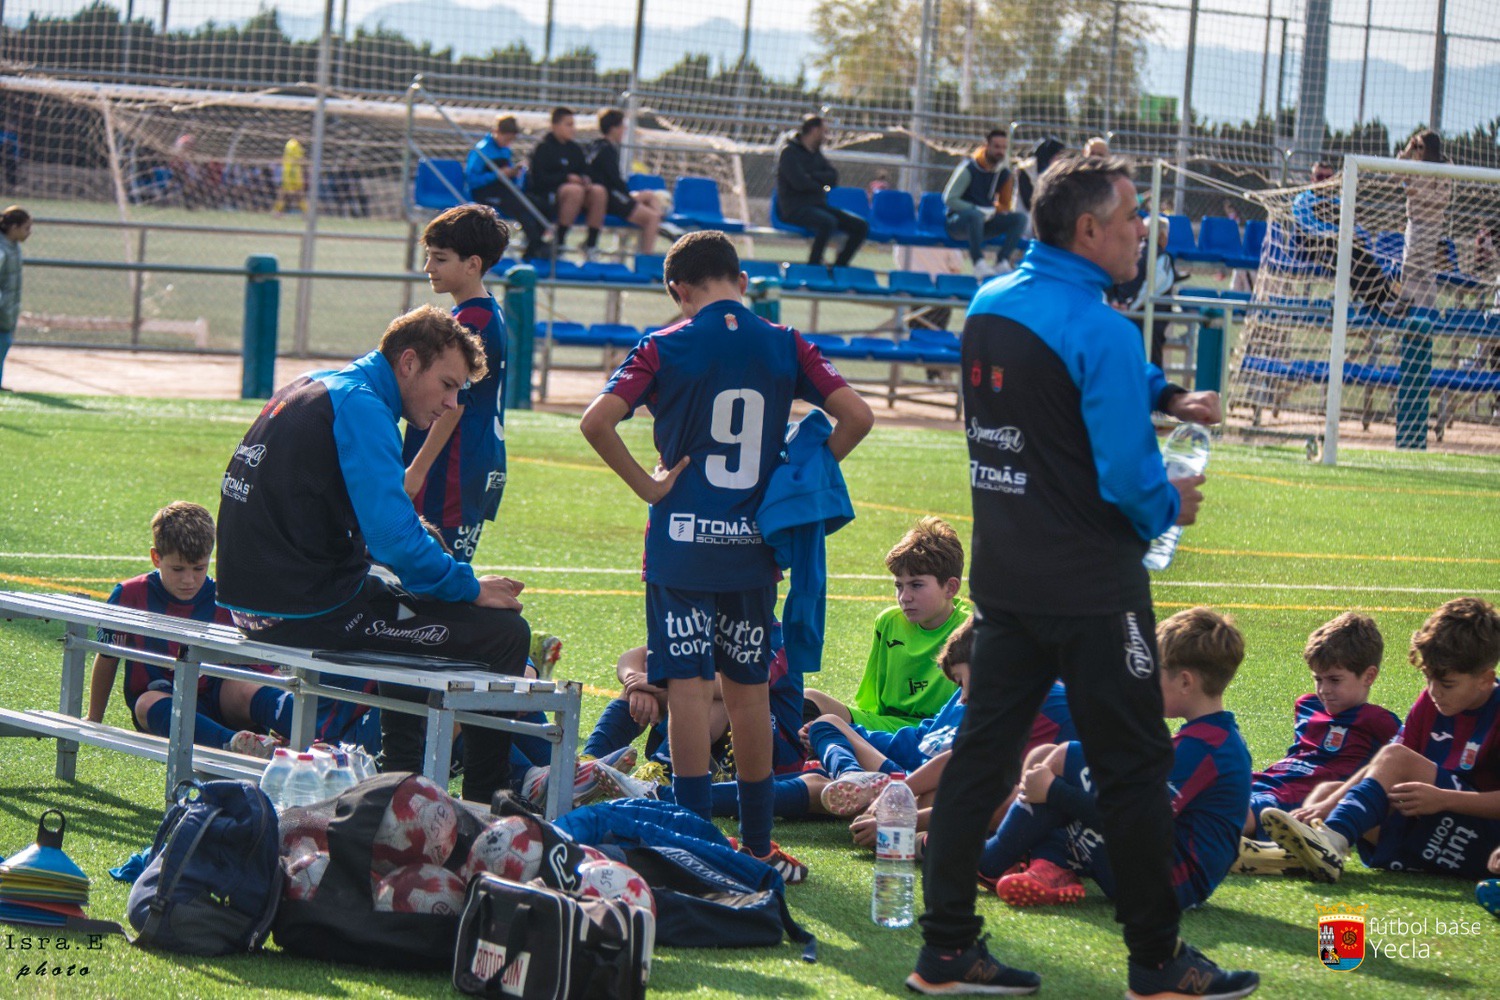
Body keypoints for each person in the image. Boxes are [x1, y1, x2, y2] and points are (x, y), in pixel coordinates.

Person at [908, 154, 1257, 998]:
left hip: (1006, 582)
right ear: (1089, 229)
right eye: (1134, 214)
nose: (1146, 229)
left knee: (981, 761)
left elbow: (1069, 381)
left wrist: (1166, 393)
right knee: (1136, 772)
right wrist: (1171, 504)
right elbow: (1129, 480)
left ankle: (946, 952)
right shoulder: (1099, 325)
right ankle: (1156, 963)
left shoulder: (991, 304)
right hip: (1094, 590)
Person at [580, 230, 872, 882]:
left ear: (678, 290)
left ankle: (693, 845)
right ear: (741, 280)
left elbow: (596, 421)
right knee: (748, 695)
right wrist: (799, 489)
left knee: (686, 689)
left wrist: (649, 485)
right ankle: (760, 844)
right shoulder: (786, 341)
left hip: (681, 543)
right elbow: (856, 416)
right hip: (752, 546)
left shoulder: (665, 344)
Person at [215, 305, 531, 804]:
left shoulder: (319, 383)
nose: (452, 403)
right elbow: (393, 541)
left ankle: (399, 781)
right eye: (447, 385)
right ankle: (486, 805)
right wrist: (469, 585)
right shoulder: (362, 405)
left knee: (405, 597)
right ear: (408, 363)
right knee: (504, 634)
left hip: (260, 600)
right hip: (301, 609)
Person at [978, 608, 1251, 916]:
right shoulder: (1213, 737)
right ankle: (1049, 867)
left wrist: (1054, 791)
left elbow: (1133, 824)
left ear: (1186, 682)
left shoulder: (1203, 749)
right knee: (1062, 762)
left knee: (1068, 758)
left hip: (1164, 887)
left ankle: (996, 860)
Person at [1261, 596, 1500, 883]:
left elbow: (1395, 759)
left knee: (1394, 757)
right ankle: (1299, 853)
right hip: (1440, 832)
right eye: (1428, 678)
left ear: (1486, 679)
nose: (1434, 691)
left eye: (1447, 684)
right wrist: (1332, 804)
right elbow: (1381, 767)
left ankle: (1330, 842)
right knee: (1329, 794)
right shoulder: (1430, 703)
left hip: (1487, 845)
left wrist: (1444, 799)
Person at [85, 502, 280, 757]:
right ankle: (231, 743)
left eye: (199, 568)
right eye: (178, 569)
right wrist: (93, 718)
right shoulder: (130, 595)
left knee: (243, 687)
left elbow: (267, 667)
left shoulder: (227, 599)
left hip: (220, 701)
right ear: (156, 557)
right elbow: (107, 656)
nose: (189, 580)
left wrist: (277, 716)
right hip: (161, 703)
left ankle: (314, 738)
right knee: (145, 703)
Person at [1234, 612, 1399, 875]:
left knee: (1236, 816)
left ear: (1368, 676)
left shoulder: (1380, 721)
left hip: (1306, 795)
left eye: (1334, 680)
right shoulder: (1307, 705)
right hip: (1271, 778)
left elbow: (1391, 767)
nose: (1324, 689)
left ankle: (1223, 848)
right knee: (1209, 798)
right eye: (1318, 679)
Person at [403, 205, 511, 563]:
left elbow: (456, 403)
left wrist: (417, 469)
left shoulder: (471, 321)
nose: (428, 268)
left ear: (473, 264)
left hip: (451, 466)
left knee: (430, 575)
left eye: (440, 258)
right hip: (474, 462)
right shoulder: (485, 311)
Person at [802, 517, 969, 732]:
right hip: (888, 727)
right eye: (899, 586)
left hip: (940, 732)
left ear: (950, 588)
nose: (904, 597)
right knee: (809, 700)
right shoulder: (888, 622)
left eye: (916, 585)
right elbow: (872, 704)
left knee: (832, 734)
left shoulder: (970, 628)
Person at [1290, 159, 1405, 314]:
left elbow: (1357, 227)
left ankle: (1387, 298)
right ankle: (1378, 301)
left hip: (1338, 248)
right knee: (1345, 252)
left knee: (1359, 252)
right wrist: (1338, 235)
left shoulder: (1340, 201)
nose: (1324, 181)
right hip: (1310, 248)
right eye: (1320, 177)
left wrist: (1355, 236)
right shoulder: (1302, 200)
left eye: (1328, 177)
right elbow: (1310, 228)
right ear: (1312, 179)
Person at [776, 114, 868, 268]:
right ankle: (814, 266)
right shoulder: (789, 153)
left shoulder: (816, 154)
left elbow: (833, 177)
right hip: (795, 208)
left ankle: (839, 267)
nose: (825, 136)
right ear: (814, 130)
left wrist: (811, 177)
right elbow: (799, 183)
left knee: (861, 226)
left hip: (818, 205)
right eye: (823, 131)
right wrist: (818, 182)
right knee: (827, 222)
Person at [942, 128, 1028, 279]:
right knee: (975, 215)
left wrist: (993, 210)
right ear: (986, 146)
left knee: (1019, 219)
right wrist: (975, 209)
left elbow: (1004, 206)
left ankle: (1002, 261)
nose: (1000, 151)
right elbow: (949, 198)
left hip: (984, 223)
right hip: (960, 222)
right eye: (996, 147)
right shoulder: (969, 168)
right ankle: (978, 263)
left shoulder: (1003, 174)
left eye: (1003, 148)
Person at [587, 107, 674, 255]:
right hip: (610, 199)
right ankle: (646, 259)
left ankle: (664, 223)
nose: (624, 130)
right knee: (651, 218)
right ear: (613, 128)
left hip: (613, 194)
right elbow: (613, 182)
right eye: (622, 127)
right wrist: (628, 196)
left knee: (649, 195)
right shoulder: (605, 151)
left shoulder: (598, 145)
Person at [527, 107, 606, 260]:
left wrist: (586, 179)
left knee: (598, 191)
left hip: (579, 194)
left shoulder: (575, 149)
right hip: (551, 195)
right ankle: (560, 241)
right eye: (568, 124)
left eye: (573, 124)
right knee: (573, 190)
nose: (573, 129)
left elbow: (585, 170)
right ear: (555, 125)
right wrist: (566, 178)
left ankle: (591, 244)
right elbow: (540, 179)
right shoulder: (543, 147)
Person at [467, 114, 550, 260]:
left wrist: (513, 173)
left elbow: (506, 174)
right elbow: (472, 180)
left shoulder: (505, 150)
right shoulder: (481, 150)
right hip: (485, 192)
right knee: (520, 206)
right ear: (496, 132)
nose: (508, 143)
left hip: (504, 191)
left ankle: (533, 245)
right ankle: (535, 245)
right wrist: (496, 175)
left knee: (540, 204)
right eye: (506, 139)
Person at [1109, 215, 1185, 369]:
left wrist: (1117, 303)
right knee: (1150, 368)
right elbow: (1152, 288)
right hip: (1147, 322)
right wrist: (1131, 307)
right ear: (1162, 236)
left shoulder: (1129, 253)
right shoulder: (1162, 258)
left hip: (1122, 318)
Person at [1398, 129, 1452, 309]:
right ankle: (1407, 304)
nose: (1418, 151)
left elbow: (1442, 199)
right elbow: (1394, 175)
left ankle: (1428, 308)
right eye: (1416, 146)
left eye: (1420, 147)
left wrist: (1417, 193)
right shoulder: (1413, 164)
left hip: (1432, 223)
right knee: (1408, 265)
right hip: (1413, 221)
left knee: (1424, 269)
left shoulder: (1444, 167)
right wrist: (1406, 152)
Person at [0, 204, 30, 391]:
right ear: (14, 228)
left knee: (4, 346)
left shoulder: (14, 247)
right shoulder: (2, 249)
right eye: (26, 228)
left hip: (7, 312)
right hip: (2, 310)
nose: (30, 232)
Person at [272, 139, 307, 216]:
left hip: (289, 173)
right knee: (295, 195)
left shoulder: (290, 144)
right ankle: (306, 213)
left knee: (286, 195)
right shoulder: (295, 145)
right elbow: (299, 159)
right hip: (293, 174)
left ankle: (277, 212)